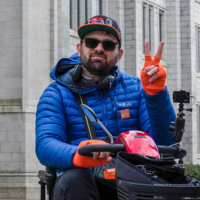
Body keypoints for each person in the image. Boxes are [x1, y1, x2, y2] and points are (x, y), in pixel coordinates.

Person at [35, 14, 176, 200]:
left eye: (108, 45)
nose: (99, 48)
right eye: (91, 42)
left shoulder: (138, 88)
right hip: (80, 183)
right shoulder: (56, 93)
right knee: (75, 179)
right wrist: (77, 154)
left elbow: (163, 143)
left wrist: (156, 94)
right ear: (80, 49)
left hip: (131, 182)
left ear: (120, 54)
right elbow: (45, 144)